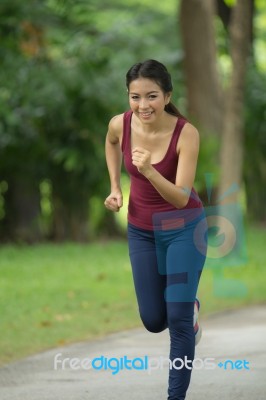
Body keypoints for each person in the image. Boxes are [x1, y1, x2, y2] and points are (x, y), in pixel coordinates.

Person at [104, 59, 207, 400]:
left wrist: (148, 170)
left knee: (176, 320)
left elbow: (180, 197)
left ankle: (174, 396)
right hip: (142, 231)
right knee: (152, 319)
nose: (142, 105)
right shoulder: (121, 124)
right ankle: (187, 310)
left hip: (183, 228)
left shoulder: (185, 133)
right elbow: (110, 142)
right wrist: (116, 187)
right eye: (135, 97)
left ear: (166, 96)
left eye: (151, 96)